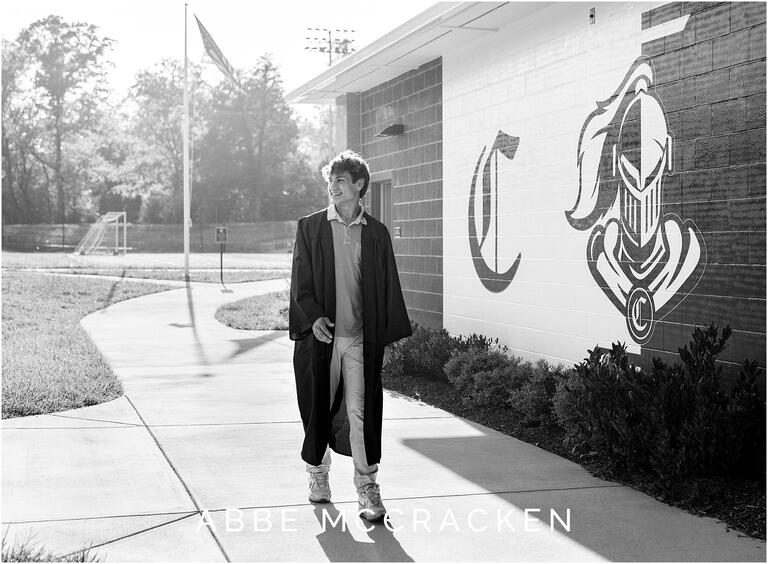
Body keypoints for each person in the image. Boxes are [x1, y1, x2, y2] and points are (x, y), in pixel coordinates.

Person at [289, 150, 412, 522]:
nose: (333, 187)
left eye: (340, 180)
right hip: (322, 342)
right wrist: (312, 320)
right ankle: (318, 477)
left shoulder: (375, 233)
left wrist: (382, 341)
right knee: (318, 410)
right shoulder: (310, 227)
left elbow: (388, 287)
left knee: (360, 412)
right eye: (330, 181)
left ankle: (366, 486)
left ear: (359, 185)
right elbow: (300, 284)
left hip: (360, 338)